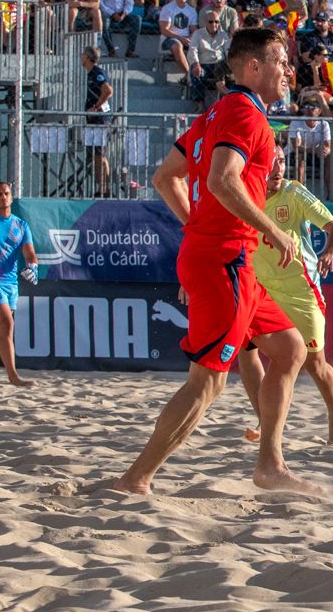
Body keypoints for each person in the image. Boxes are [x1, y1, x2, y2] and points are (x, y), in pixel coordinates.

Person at [114, 27, 320, 496]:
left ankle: (270, 464)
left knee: (291, 351)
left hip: (227, 257)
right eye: (280, 61)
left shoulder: (214, 114)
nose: (288, 70)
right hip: (225, 257)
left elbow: (165, 178)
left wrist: (196, 231)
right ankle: (136, 478)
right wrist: (269, 228)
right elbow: (222, 180)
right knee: (208, 383)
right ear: (253, 67)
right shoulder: (247, 115)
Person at [239, 161, 333, 445]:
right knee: (247, 350)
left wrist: (329, 253)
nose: (278, 169)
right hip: (261, 288)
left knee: (316, 364)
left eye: (282, 162)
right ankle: (265, 421)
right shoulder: (242, 195)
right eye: (271, 164)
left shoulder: (294, 193)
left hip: (301, 290)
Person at [0, 182, 37, 387]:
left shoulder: (21, 225)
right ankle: (13, 376)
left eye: (6, 193)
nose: (3, 197)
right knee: (7, 324)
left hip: (10, 284)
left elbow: (30, 254)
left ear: (11, 197)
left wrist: (33, 267)